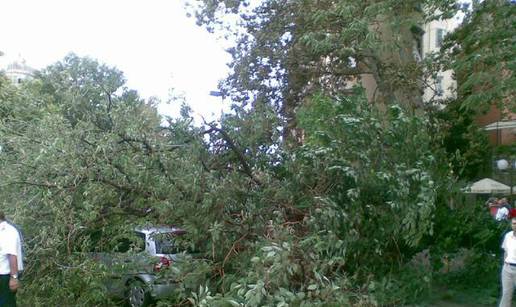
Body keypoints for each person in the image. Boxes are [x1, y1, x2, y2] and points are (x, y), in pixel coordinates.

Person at [0, 211, 23, 307]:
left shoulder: (8, 232)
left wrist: (13, 278)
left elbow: (12, 255)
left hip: (5, 276)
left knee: (6, 303)